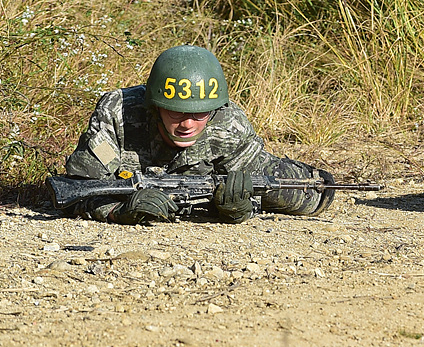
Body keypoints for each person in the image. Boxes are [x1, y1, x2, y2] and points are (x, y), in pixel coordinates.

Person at [61, 45, 333, 224]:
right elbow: (77, 188)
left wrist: (239, 208)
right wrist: (119, 211)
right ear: (155, 108)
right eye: (176, 113)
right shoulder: (118, 113)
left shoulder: (228, 126)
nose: (188, 124)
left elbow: (310, 193)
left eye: (200, 114)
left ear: (214, 111)